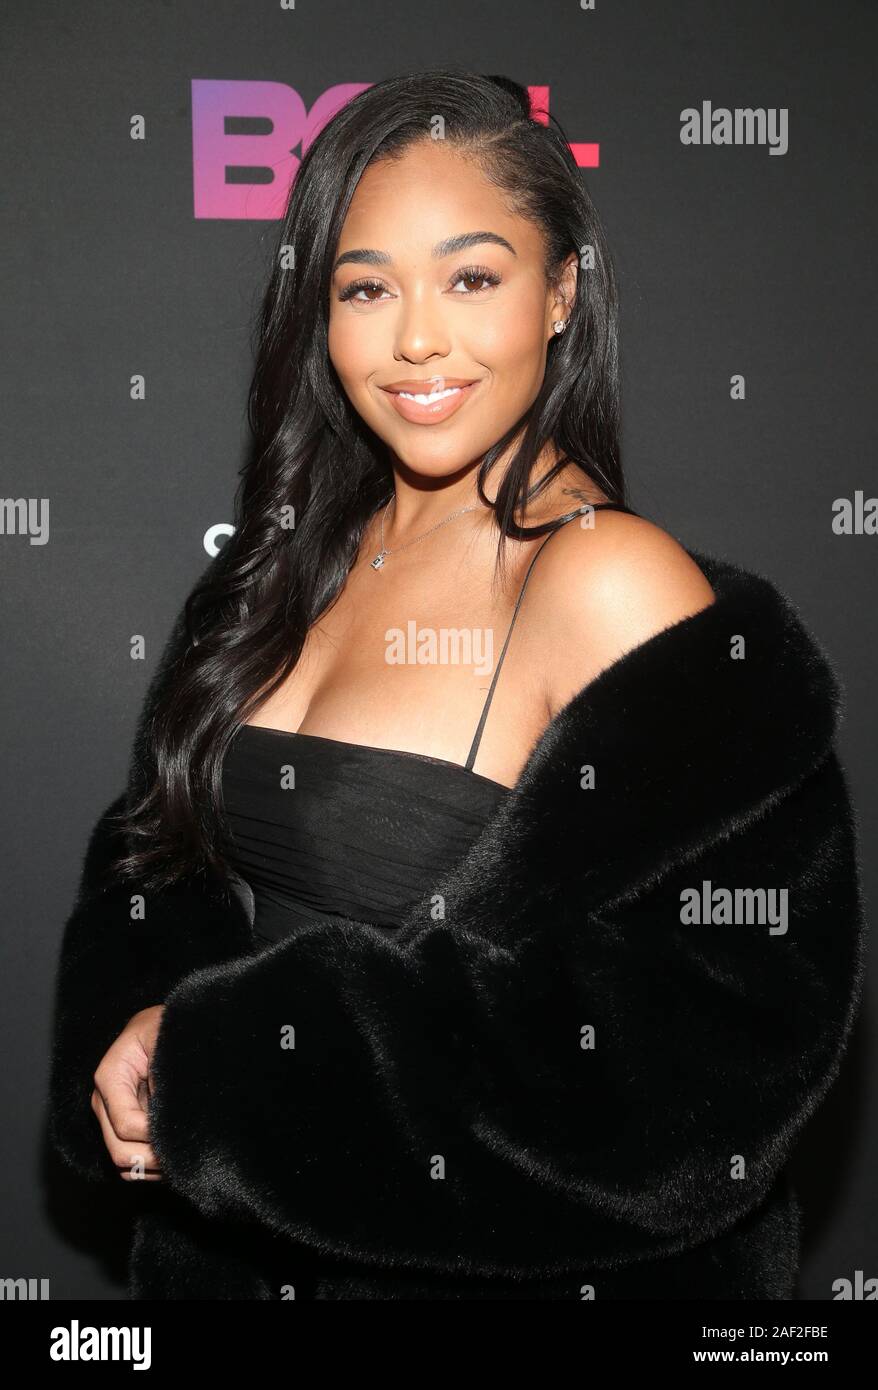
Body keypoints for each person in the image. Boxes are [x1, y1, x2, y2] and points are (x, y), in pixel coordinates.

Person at [48, 69, 864, 1300]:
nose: (415, 338)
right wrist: (128, 1038)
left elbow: (702, 1057)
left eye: (471, 278)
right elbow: (157, 858)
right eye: (365, 287)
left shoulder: (602, 578)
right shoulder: (282, 563)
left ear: (559, 293)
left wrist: (230, 1069)